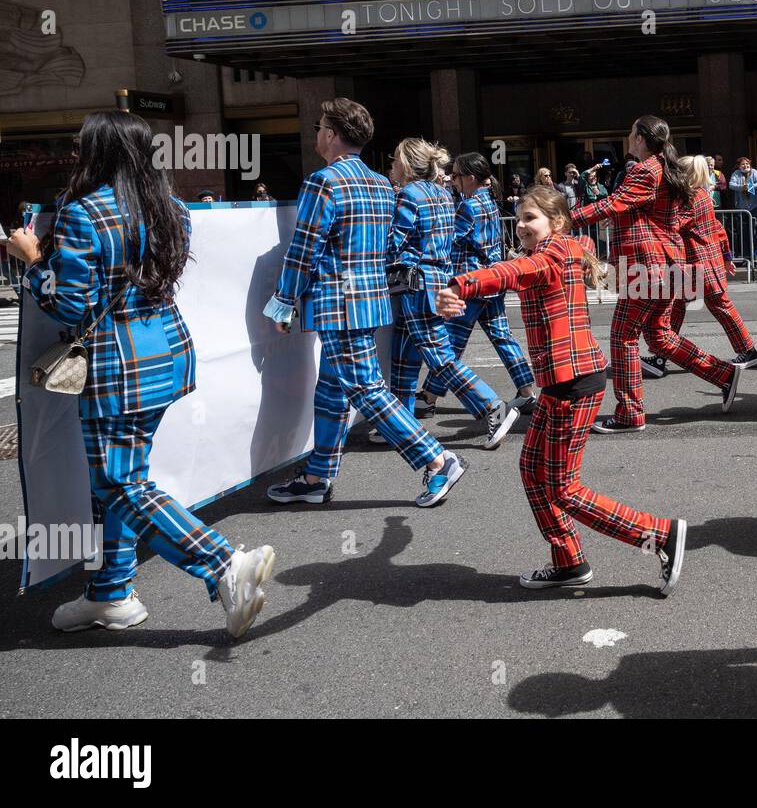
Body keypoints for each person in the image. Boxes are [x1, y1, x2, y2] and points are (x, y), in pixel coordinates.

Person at [7, 110, 274, 638]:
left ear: (98, 152)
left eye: (82, 145)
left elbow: (69, 305)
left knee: (119, 484)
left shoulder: (82, 213)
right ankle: (110, 593)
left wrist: (33, 261)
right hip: (167, 355)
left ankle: (224, 564)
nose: (76, 153)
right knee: (120, 480)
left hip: (117, 367)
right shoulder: (171, 207)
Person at [436, 186, 687, 595]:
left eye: (530, 218)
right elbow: (525, 264)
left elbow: (511, 273)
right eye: (519, 218)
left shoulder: (552, 254)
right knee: (532, 469)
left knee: (563, 487)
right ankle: (569, 561)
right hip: (561, 383)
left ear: (556, 222)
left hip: (575, 384)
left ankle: (660, 535)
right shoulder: (563, 247)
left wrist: (460, 285)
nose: (521, 226)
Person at [262, 98, 465, 508]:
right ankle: (317, 476)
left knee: (364, 388)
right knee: (333, 389)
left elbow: (304, 249)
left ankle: (438, 459)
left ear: (331, 134)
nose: (317, 134)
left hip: (339, 302)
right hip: (369, 301)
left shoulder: (324, 182)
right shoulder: (380, 184)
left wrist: (284, 300)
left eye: (319, 127)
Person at [571, 115, 743, 433]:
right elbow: (635, 209)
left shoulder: (646, 169)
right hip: (664, 263)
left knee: (623, 336)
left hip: (647, 265)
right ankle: (723, 374)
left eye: (631, 131)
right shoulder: (664, 166)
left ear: (640, 138)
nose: (628, 135)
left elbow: (615, 203)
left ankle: (630, 413)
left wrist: (564, 220)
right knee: (659, 335)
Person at [381, 138, 520, 452]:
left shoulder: (408, 194)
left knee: (437, 357)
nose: (392, 166)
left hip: (415, 283)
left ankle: (493, 406)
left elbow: (394, 243)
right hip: (435, 282)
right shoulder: (442, 194)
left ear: (406, 164)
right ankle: (401, 425)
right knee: (405, 355)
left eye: (395, 160)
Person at [420, 152, 539, 414]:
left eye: (457, 176)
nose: (453, 180)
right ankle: (527, 391)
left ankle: (428, 396)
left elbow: (450, 240)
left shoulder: (469, 206)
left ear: (471, 178)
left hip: (471, 283)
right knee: (503, 337)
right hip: (492, 281)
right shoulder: (489, 202)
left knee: (451, 341)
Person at [644, 155, 757, 377]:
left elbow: (671, 224)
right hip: (703, 262)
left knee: (710, 307)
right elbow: (717, 228)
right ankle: (660, 357)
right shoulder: (702, 195)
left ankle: (748, 351)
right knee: (680, 307)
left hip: (699, 263)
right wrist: (726, 255)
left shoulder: (690, 198)